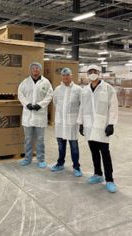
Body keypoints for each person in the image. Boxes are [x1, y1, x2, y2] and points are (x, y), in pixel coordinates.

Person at [77, 64, 118, 193]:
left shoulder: (108, 88)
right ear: (87, 74)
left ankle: (110, 180)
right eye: (90, 72)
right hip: (89, 126)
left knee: (105, 153)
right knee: (94, 152)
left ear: (99, 73)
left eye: (94, 71)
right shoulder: (85, 90)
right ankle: (98, 174)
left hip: (102, 126)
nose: (92, 73)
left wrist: (111, 124)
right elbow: (82, 107)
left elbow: (113, 107)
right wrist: (81, 123)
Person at [18, 62, 53, 168]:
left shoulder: (46, 82)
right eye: (33, 68)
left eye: (37, 68)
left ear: (40, 70)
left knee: (40, 139)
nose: (35, 70)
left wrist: (40, 105)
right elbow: (20, 94)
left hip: (40, 115)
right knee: (28, 139)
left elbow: (49, 95)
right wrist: (26, 104)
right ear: (30, 70)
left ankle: (41, 159)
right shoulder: (25, 82)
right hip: (28, 115)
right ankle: (27, 158)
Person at [51, 67, 82, 177]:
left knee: (74, 146)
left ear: (71, 76)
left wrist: (80, 121)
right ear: (61, 77)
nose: (65, 77)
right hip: (60, 122)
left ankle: (76, 167)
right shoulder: (57, 89)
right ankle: (60, 164)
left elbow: (81, 105)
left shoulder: (78, 89)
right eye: (63, 75)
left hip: (72, 123)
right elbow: (55, 103)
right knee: (61, 145)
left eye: (67, 75)